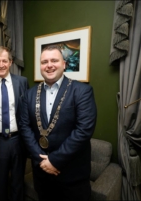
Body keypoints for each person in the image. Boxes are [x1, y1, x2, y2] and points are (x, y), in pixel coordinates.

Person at [19, 45, 97, 201]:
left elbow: (84, 130)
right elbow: (25, 127)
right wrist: (42, 160)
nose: (49, 65)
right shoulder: (28, 95)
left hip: (72, 175)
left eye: (54, 60)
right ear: (40, 66)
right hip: (42, 174)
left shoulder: (82, 91)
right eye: (44, 61)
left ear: (64, 65)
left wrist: (54, 161)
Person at [0, 46, 29, 201]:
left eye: (4, 61)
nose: (1, 64)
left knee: (18, 181)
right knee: (0, 182)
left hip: (18, 140)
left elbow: (26, 112)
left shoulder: (22, 82)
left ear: (10, 62)